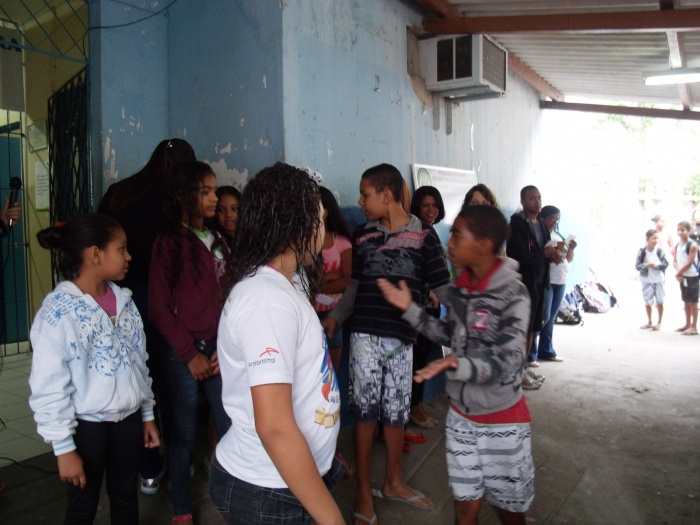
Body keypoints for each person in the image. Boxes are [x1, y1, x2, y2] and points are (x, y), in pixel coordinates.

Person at [376, 204, 534, 525]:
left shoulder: (514, 295)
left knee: (509, 511)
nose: (449, 243)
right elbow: (449, 333)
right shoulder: (461, 288)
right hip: (461, 419)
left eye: (457, 236)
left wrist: (455, 365)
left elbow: (508, 363)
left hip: (501, 421)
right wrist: (410, 309)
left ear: (484, 245)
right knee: (464, 511)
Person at [210, 163, 345, 525]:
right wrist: (332, 519)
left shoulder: (287, 281)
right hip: (268, 491)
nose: (324, 227)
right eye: (320, 219)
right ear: (297, 226)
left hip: (286, 480)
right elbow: (274, 427)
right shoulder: (266, 300)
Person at [323, 163, 450, 525]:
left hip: (402, 341)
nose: (361, 201)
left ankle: (394, 482)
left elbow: (443, 288)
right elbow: (355, 286)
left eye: (365, 194)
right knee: (365, 414)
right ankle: (364, 494)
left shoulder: (425, 237)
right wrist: (336, 318)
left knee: (395, 414)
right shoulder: (363, 234)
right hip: (364, 336)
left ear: (387, 194)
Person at [28, 213, 160, 524]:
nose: (129, 257)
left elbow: (139, 363)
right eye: (121, 249)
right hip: (87, 429)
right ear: (95, 254)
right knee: (82, 507)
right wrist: (64, 448)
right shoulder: (58, 312)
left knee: (126, 498)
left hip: (128, 421)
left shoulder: (124, 301)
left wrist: (147, 414)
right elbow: (49, 386)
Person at [98, 138, 195, 495]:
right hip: (165, 299)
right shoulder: (180, 200)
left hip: (119, 298)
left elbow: (100, 237)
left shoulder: (121, 192)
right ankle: (180, 460)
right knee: (170, 384)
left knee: (136, 379)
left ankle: (148, 467)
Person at [149, 161, 232, 525]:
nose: (214, 198)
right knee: (182, 435)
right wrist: (188, 354)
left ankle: (233, 500)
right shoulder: (168, 243)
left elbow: (230, 297)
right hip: (183, 353)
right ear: (184, 196)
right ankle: (182, 509)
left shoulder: (218, 240)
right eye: (206, 192)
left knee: (230, 425)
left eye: (213, 190)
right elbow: (158, 307)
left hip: (218, 348)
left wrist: (224, 347)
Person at [506, 186, 560, 388]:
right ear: (522, 201)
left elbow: (544, 250)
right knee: (521, 330)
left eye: (539, 198)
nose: (537, 202)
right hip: (524, 285)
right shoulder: (518, 225)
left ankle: (523, 368)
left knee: (532, 329)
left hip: (539, 283)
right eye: (531, 198)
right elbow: (517, 256)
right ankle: (515, 372)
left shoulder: (542, 225)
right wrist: (543, 254)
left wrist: (552, 256)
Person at [407, 185, 446, 431]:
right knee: (417, 359)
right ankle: (413, 406)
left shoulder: (431, 230)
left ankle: (418, 403)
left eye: (435, 205)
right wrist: (429, 290)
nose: (431, 210)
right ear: (416, 207)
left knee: (422, 359)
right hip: (422, 306)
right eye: (425, 205)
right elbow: (414, 269)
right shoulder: (418, 231)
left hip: (432, 306)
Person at [529, 205, 575, 362]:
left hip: (561, 280)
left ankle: (546, 350)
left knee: (551, 318)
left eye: (557, 219)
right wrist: (550, 254)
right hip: (547, 280)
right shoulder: (539, 235)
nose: (554, 221)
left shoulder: (558, 235)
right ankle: (530, 354)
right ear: (542, 218)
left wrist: (570, 249)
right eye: (551, 218)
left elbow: (567, 258)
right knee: (543, 317)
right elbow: (537, 257)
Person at [314, 186, 353, 372]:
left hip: (334, 313)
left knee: (331, 372)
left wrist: (319, 285)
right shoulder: (305, 244)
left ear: (325, 212)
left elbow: (348, 281)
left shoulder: (342, 243)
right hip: (310, 312)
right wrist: (333, 278)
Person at [636, 229, 668, 331]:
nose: (655, 240)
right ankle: (649, 321)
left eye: (657, 238)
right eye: (653, 238)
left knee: (660, 301)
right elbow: (637, 266)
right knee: (647, 301)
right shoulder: (642, 252)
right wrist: (646, 265)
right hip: (647, 280)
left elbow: (665, 264)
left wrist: (656, 266)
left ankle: (659, 322)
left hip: (659, 280)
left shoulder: (659, 251)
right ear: (647, 239)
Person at [673, 221, 699, 336]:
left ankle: (694, 326)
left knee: (693, 301)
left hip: (692, 276)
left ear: (688, 231)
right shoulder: (678, 245)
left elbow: (689, 263)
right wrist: (679, 273)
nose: (680, 232)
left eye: (683, 230)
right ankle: (687, 323)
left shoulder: (692, 245)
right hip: (683, 276)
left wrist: (679, 273)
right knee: (686, 301)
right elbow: (675, 261)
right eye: (678, 230)